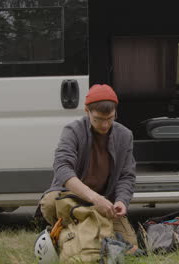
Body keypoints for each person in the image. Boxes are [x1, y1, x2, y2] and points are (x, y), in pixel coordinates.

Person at [39, 84, 138, 247]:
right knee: (50, 203)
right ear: (87, 111)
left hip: (106, 203)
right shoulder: (72, 131)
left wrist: (121, 201)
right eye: (98, 119)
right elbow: (62, 168)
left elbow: (126, 176)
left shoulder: (125, 135)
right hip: (73, 197)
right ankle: (68, 235)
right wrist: (94, 198)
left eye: (110, 118)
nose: (105, 125)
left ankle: (85, 233)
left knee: (130, 247)